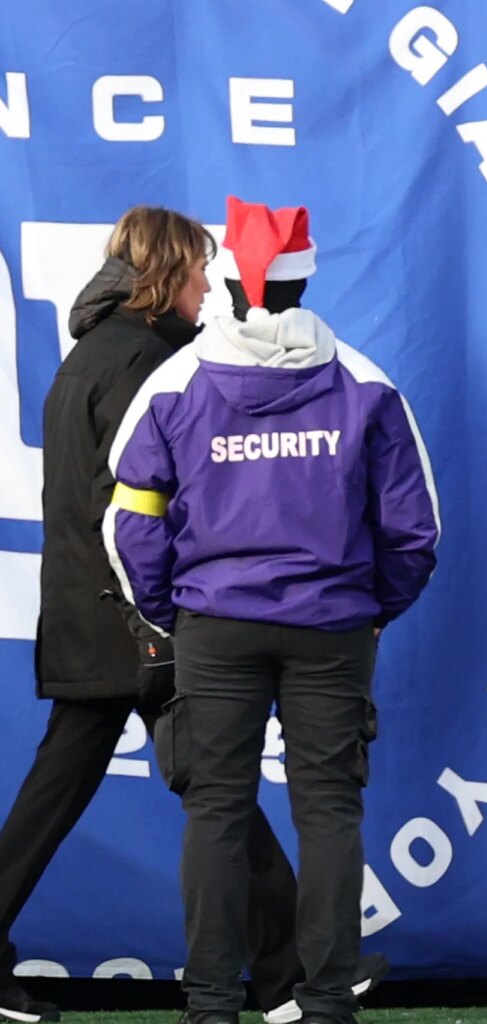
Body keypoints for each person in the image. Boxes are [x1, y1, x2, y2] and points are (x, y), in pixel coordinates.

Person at [0, 207, 376, 1024]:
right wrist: (167, 614)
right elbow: (140, 507)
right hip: (134, 622)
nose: (212, 286)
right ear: (167, 274)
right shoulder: (144, 362)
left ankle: (280, 972)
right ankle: (284, 976)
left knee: (172, 789)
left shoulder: (92, 353)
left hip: (89, 611)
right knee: (214, 789)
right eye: (200, 270)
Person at [105, 196, 438, 1024]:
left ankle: (211, 1002)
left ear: (224, 280)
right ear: (306, 280)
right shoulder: (366, 381)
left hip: (214, 625)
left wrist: (169, 610)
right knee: (329, 810)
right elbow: (414, 531)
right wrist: (369, 611)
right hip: (332, 627)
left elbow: (129, 520)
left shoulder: (176, 382)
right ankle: (326, 1001)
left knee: (216, 810)